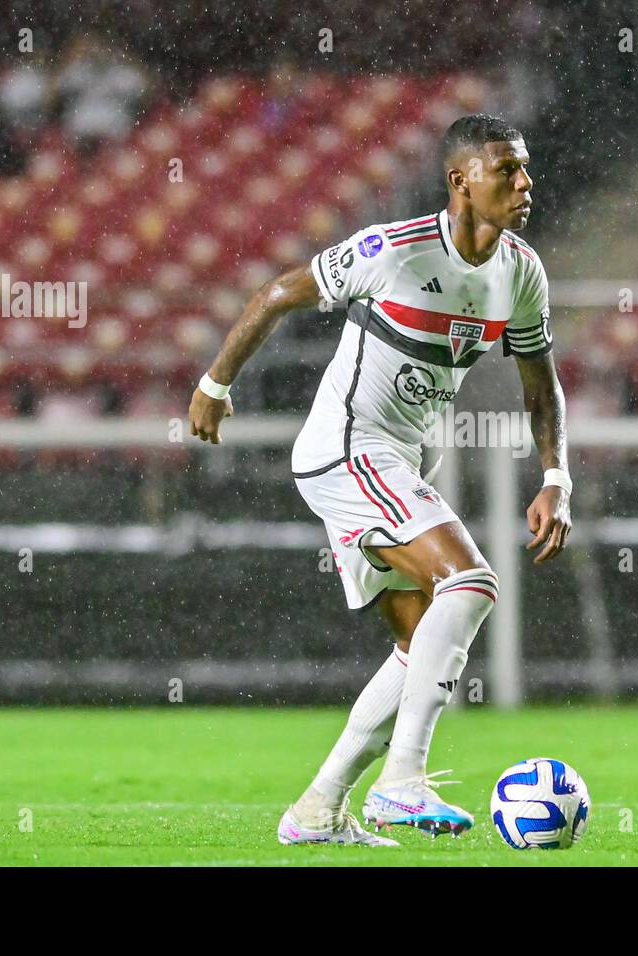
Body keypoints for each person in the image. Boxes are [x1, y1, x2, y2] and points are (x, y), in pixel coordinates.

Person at [187, 114, 571, 846]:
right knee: (473, 583)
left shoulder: (521, 271)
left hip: (397, 460)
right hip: (347, 448)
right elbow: (277, 294)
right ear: (461, 181)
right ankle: (402, 782)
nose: (525, 184)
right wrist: (215, 383)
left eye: (526, 169)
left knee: (419, 638)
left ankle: (318, 808)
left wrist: (557, 476)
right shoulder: (392, 251)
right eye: (506, 171)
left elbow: (540, 386)